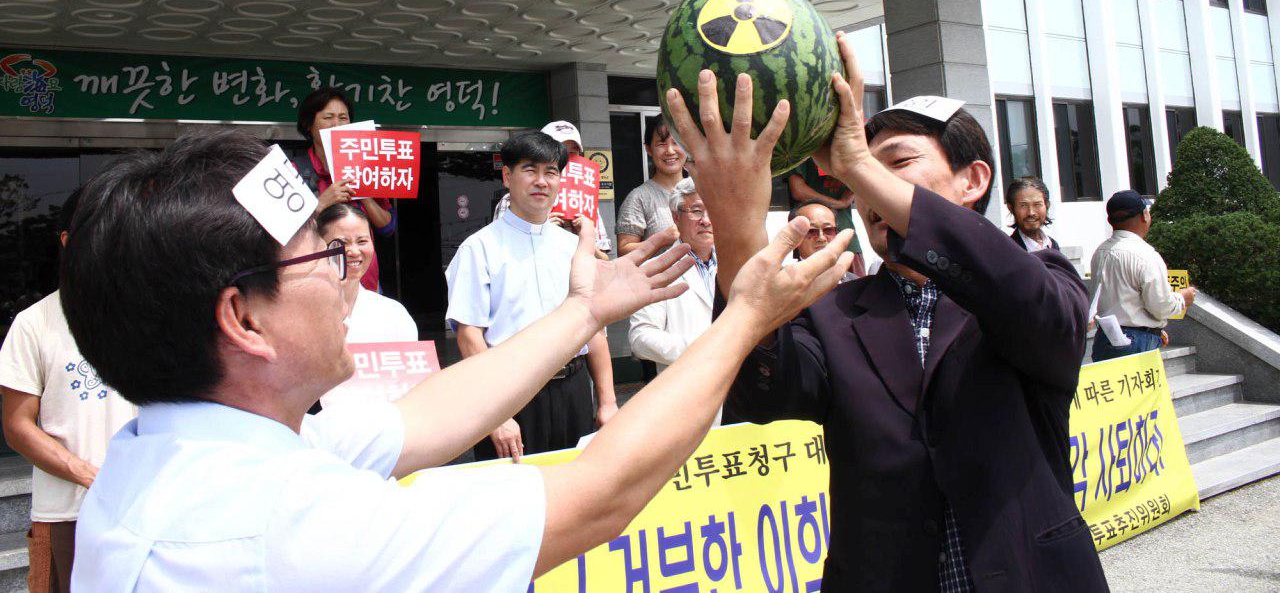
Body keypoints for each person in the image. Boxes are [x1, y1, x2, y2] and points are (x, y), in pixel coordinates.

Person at [61, 129, 853, 591]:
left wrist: (587, 308)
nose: (349, 280)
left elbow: (426, 414)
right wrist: (745, 318)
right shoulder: (293, 528)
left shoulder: (174, 453)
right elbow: (598, 492)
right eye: (325, 259)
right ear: (243, 319)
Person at [666, 35, 1109, 592]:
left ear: (973, 180)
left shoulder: (1042, 277)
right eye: (858, 178)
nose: (869, 189)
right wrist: (736, 225)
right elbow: (764, 393)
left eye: (895, 164)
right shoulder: (833, 312)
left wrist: (853, 161)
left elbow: (1028, 303)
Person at [447, 131, 617, 460]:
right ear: (507, 176)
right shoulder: (479, 248)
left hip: (573, 388)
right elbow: (470, 336)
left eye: (551, 172)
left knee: (575, 494)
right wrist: (497, 413)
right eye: (529, 170)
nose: (541, 181)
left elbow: (594, 328)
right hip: (511, 392)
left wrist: (608, 400)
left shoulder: (575, 247)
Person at [0, 188, 136, 593]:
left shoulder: (147, 315)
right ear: (67, 241)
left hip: (142, 504)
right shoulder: (34, 323)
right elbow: (17, 425)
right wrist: (85, 473)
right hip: (67, 512)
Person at [292, 87, 395, 291]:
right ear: (309, 125)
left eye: (343, 118)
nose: (337, 125)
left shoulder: (369, 166)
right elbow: (283, 231)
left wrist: (363, 193)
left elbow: (388, 227)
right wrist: (321, 203)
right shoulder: (294, 169)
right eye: (328, 117)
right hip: (315, 284)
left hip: (366, 284)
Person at [317, 203, 418, 410]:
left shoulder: (393, 314)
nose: (354, 251)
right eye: (342, 242)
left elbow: (410, 388)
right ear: (318, 248)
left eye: (362, 241)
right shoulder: (298, 315)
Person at [1089, 190, 1196, 362]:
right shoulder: (1145, 255)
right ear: (1145, 215)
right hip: (1136, 342)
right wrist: (1182, 299)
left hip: (1105, 338)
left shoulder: (1100, 252)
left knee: (1115, 389)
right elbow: (1160, 306)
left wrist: (1153, 330)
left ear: (1110, 220)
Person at [628, 178, 716, 376]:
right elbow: (640, 338)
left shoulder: (736, 264)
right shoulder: (655, 270)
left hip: (740, 391)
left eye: (713, 209)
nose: (707, 220)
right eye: (696, 211)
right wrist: (701, 350)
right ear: (676, 217)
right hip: (687, 385)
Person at [494, 120, 611, 260]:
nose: (567, 160)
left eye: (573, 154)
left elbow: (604, 260)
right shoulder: (514, 200)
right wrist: (540, 228)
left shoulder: (586, 202)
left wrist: (585, 238)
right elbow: (501, 252)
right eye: (562, 153)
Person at [615, 116, 685, 254]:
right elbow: (624, 251)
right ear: (648, 149)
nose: (670, 151)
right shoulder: (639, 198)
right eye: (661, 144)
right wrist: (661, 239)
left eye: (676, 142)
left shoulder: (703, 190)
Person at [789, 156, 866, 274]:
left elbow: (868, 178)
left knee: (856, 287)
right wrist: (839, 203)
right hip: (809, 242)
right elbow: (798, 190)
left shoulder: (851, 149)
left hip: (849, 242)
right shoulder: (800, 150)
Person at [791, 202, 860, 282]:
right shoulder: (784, 284)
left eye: (828, 230)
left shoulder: (856, 283)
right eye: (811, 231)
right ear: (794, 237)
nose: (821, 238)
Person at [1006, 176, 1060, 252]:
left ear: (1047, 205)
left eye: (1037, 204)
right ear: (1011, 208)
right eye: (1023, 205)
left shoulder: (1053, 245)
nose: (1031, 213)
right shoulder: (1008, 250)